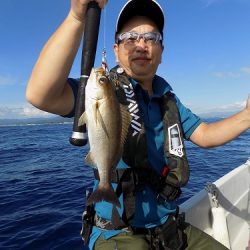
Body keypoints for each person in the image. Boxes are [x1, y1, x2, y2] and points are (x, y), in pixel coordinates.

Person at [26, 0, 250, 249]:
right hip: (117, 232)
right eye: (130, 37)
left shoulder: (169, 100)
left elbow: (206, 134)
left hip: (169, 226)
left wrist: (247, 115)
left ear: (162, 51)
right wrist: (77, 18)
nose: (141, 44)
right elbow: (41, 95)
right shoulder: (104, 89)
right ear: (116, 49)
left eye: (151, 37)